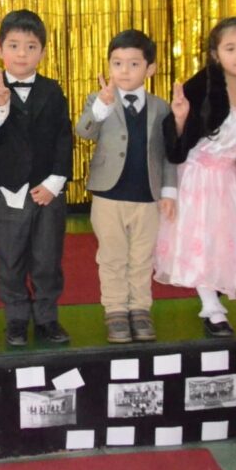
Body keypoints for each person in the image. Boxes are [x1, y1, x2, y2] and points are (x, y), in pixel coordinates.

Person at [155, 17, 236, 337]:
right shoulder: (199, 88)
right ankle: (211, 308)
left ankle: (216, 293)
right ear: (215, 53)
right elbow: (175, 146)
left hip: (228, 180)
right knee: (202, 240)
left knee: (227, 240)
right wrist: (180, 119)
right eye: (230, 48)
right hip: (196, 177)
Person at [76, 30, 177, 344]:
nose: (124, 70)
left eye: (134, 64)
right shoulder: (100, 100)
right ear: (109, 66)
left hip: (147, 197)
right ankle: (116, 310)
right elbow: (84, 131)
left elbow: (168, 154)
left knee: (142, 257)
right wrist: (101, 108)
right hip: (108, 195)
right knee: (112, 256)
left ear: (150, 68)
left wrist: (169, 191)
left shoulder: (161, 108)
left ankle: (140, 308)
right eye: (117, 63)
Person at [0, 10, 73, 346]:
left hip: (48, 190)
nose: (22, 53)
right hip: (10, 190)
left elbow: (64, 137)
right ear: (0, 49)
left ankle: (47, 317)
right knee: (10, 257)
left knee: (47, 257)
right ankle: (16, 318)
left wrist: (55, 182)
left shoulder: (52, 90)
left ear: (42, 52)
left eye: (31, 46)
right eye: (14, 45)